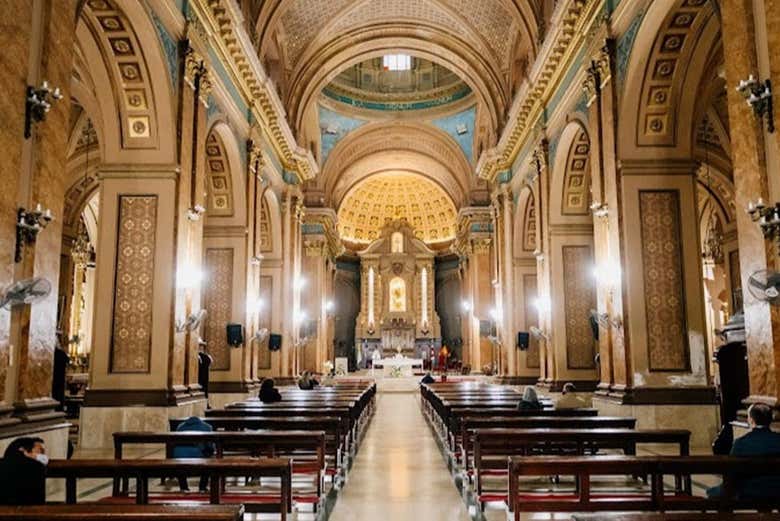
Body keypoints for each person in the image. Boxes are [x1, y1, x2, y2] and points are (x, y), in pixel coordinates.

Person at [707, 403, 780, 499]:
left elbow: (731, 473)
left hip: (749, 491)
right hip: (777, 490)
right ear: (771, 420)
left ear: (751, 420)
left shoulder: (741, 443)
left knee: (714, 493)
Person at [0, 437, 47, 505]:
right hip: (31, 512)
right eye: (41, 450)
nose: (43, 455)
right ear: (23, 450)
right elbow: (39, 501)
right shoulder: (36, 467)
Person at [172, 416, 213, 492]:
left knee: (180, 458)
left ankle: (183, 487)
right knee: (209, 462)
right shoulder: (207, 427)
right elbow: (209, 446)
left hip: (179, 455)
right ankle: (202, 487)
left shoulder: (180, 427)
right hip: (197, 453)